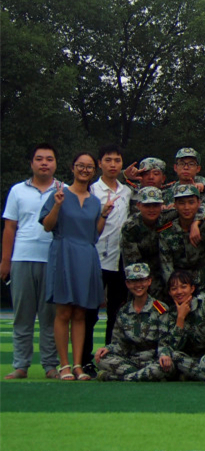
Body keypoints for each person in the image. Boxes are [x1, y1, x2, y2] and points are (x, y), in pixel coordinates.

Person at [40, 152, 116, 381]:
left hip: (86, 255)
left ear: (94, 171)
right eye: (80, 166)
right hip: (63, 253)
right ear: (72, 168)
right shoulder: (59, 194)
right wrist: (57, 205)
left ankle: (77, 365)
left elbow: (93, 235)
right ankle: (63, 365)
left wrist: (104, 215)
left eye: (89, 167)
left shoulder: (94, 201)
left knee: (81, 313)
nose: (84, 170)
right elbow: (47, 226)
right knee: (64, 311)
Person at [2, 143, 61, 379]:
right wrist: (5, 262)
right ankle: (21, 365)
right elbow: (10, 228)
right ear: (32, 163)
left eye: (49, 159)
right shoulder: (17, 190)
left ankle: (50, 365)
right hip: (22, 257)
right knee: (22, 316)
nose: (44, 163)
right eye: (39, 159)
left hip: (52, 260)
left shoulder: (64, 190)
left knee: (50, 317)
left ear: (56, 164)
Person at [83, 143, 134, 377]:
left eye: (117, 160)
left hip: (120, 259)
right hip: (95, 259)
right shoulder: (92, 191)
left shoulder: (127, 191)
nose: (113, 164)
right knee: (89, 313)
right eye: (108, 160)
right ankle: (84, 360)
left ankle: (110, 358)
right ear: (100, 163)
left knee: (116, 313)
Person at [94, 263, 173, 382]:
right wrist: (108, 348)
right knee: (102, 358)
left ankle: (114, 377)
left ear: (149, 281)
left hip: (153, 360)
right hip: (130, 361)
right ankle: (142, 376)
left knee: (164, 366)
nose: (138, 285)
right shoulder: (123, 311)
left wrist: (164, 355)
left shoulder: (160, 308)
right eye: (134, 281)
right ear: (127, 284)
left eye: (142, 280)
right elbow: (119, 343)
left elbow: (165, 341)